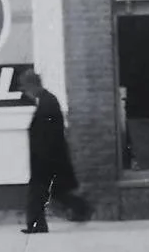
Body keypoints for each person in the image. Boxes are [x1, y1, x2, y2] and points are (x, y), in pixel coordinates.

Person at [18, 69, 94, 234]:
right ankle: (82, 209)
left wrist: (43, 159)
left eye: (25, 89)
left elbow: (49, 135)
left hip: (45, 159)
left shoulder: (47, 103)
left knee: (38, 193)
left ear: (33, 86)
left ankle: (39, 225)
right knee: (56, 192)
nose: (26, 93)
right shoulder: (47, 101)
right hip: (48, 158)